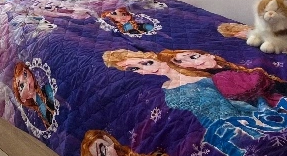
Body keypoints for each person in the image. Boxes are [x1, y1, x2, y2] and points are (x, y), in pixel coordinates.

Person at [102, 49, 245, 124]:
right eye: (134, 69)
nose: (149, 69)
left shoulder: (194, 65)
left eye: (146, 63)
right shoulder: (170, 93)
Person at [157, 49, 287, 107]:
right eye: (182, 63)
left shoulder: (229, 69)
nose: (192, 63)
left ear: (209, 54)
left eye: (193, 56)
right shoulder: (220, 78)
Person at [12, 62, 57, 128]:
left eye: (25, 74)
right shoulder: (34, 116)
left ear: (30, 73)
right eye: (21, 86)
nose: (27, 83)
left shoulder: (47, 89)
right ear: (22, 98)